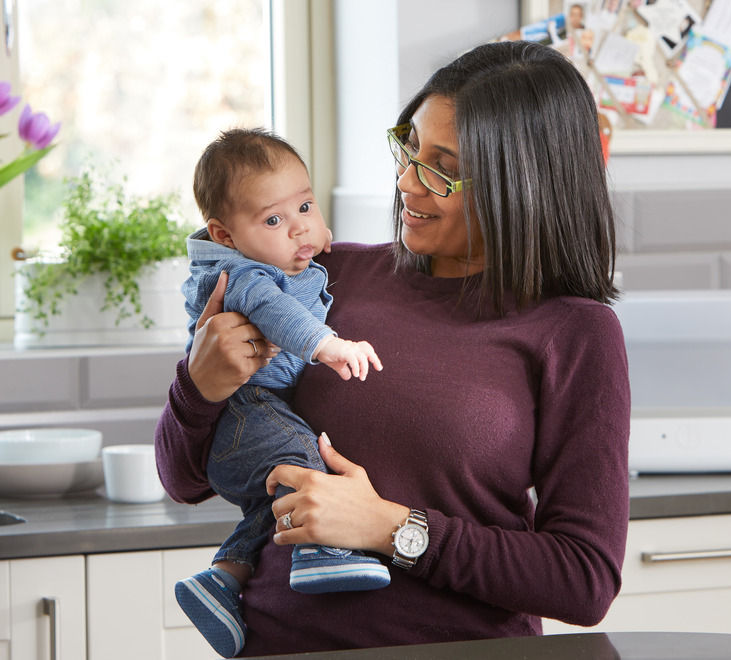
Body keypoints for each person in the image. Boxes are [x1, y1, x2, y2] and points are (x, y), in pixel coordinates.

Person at [156, 40, 630, 656]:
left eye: (440, 165)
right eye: (408, 148)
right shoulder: (323, 280)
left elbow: (583, 580)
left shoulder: (574, 332)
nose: (406, 180)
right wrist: (199, 387)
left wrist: (391, 528)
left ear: (520, 182)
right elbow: (183, 479)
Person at [171, 128, 389, 658]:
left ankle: (223, 576)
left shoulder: (284, 257)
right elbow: (275, 311)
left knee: (267, 508)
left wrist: (306, 237)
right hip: (247, 412)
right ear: (224, 235)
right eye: (274, 220)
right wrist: (327, 345)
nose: (298, 229)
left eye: (306, 207)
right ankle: (320, 551)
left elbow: (298, 257)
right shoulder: (240, 273)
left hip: (249, 419)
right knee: (306, 462)